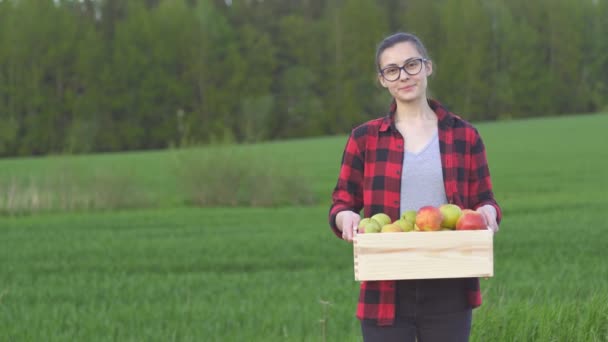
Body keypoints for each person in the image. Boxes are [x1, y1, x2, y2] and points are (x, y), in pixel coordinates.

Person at [328, 32, 502, 342]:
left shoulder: (464, 136)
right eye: (392, 70)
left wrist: (489, 211)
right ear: (382, 79)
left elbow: (484, 199)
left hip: (450, 284)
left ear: (428, 67)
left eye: (412, 64)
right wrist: (346, 219)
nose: (404, 76)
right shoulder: (364, 139)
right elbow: (342, 203)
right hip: (385, 289)